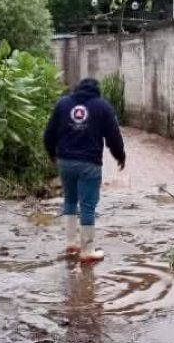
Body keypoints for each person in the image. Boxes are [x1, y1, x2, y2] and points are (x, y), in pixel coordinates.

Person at [43, 78, 126, 263]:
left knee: (70, 201)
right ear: (97, 91)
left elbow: (49, 133)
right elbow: (113, 136)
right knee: (87, 206)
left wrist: (51, 153)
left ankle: (71, 243)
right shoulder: (102, 106)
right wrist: (120, 156)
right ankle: (87, 250)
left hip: (65, 162)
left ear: (77, 89)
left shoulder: (63, 103)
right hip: (90, 164)